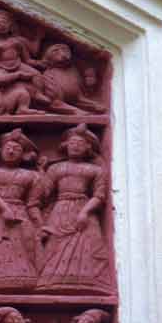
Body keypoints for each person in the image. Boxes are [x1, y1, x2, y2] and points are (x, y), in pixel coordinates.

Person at [36, 124, 113, 294]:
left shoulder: (95, 170)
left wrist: (85, 212)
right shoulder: (55, 168)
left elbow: (99, 196)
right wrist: (41, 171)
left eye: (80, 143)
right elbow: (45, 192)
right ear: (65, 146)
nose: (75, 146)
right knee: (54, 246)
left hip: (83, 208)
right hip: (60, 210)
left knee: (91, 245)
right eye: (72, 142)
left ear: (88, 147)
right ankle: (52, 282)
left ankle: (91, 283)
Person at [0, 129, 44, 292]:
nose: (11, 151)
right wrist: (4, 209)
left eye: (16, 149)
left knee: (27, 243)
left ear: (24, 155)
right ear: (1, 151)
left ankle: (29, 279)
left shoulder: (31, 176)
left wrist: (39, 224)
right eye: (8, 148)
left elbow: (33, 203)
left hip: (21, 212)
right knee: (1, 245)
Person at [0, 10, 47, 115]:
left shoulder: (17, 41)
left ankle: (38, 93)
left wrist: (39, 39)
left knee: (37, 74)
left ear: (10, 26)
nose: (1, 25)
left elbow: (28, 59)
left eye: (4, 22)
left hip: (19, 64)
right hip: (1, 68)